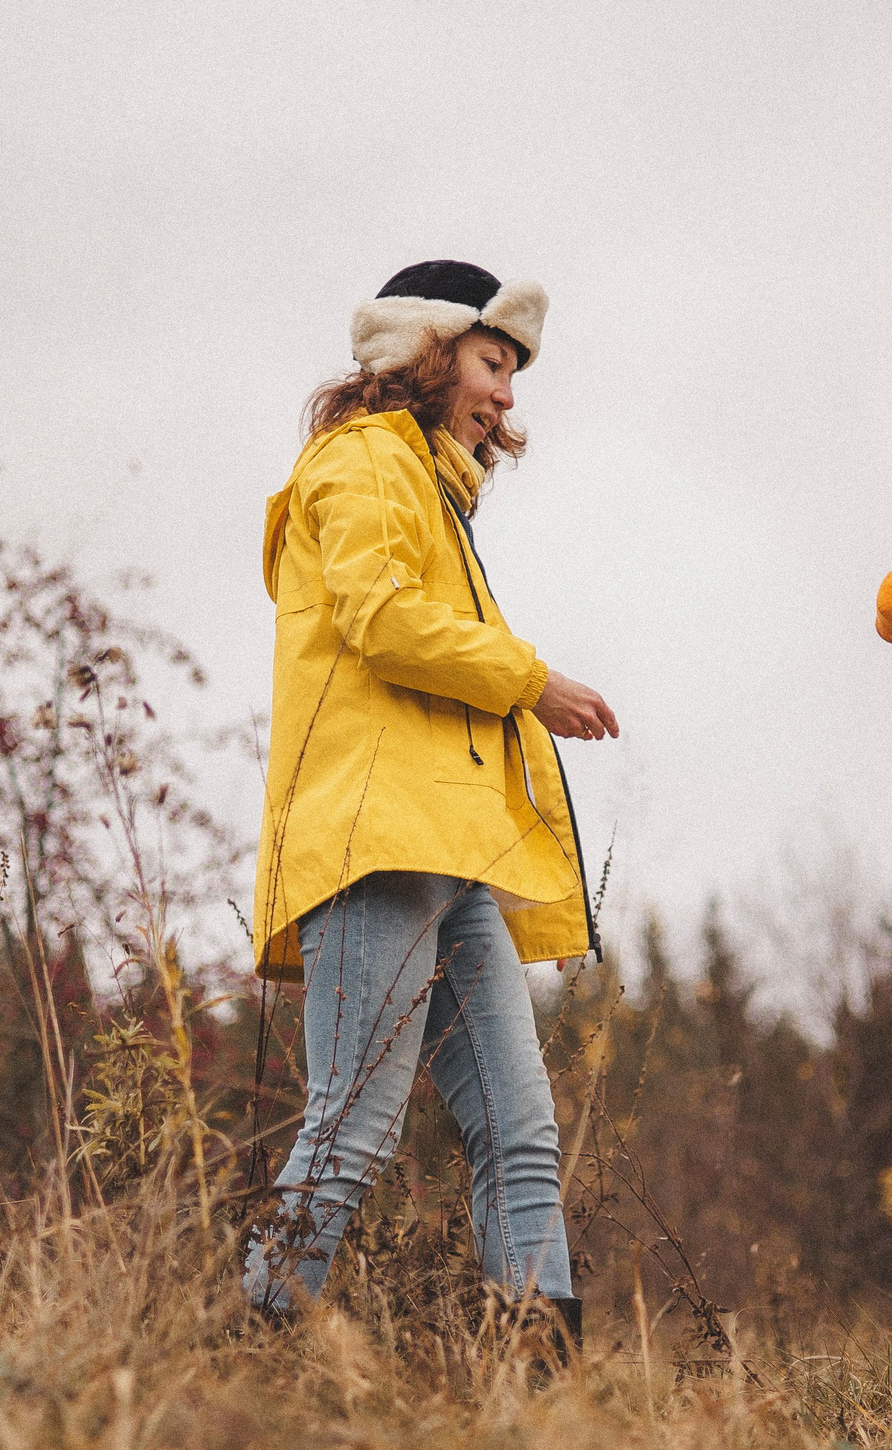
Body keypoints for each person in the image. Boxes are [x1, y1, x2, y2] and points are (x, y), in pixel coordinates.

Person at [243, 260, 620, 1348]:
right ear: (424, 352)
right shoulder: (360, 462)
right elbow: (380, 615)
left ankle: (536, 1386)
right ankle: (258, 1352)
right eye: (494, 363)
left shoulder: (431, 487)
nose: (507, 396)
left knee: (521, 1130)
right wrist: (526, 677)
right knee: (352, 1127)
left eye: (512, 373)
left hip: (447, 854)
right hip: (375, 842)